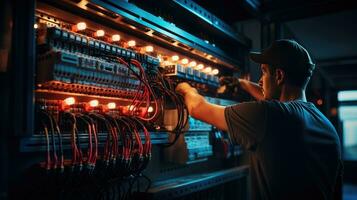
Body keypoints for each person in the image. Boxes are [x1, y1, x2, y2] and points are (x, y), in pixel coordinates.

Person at [176, 39, 343, 200]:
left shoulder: (267, 116)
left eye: (263, 71)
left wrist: (185, 88)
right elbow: (276, 103)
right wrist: (242, 83)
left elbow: (197, 108)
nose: (260, 80)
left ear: (279, 75)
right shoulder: (327, 127)